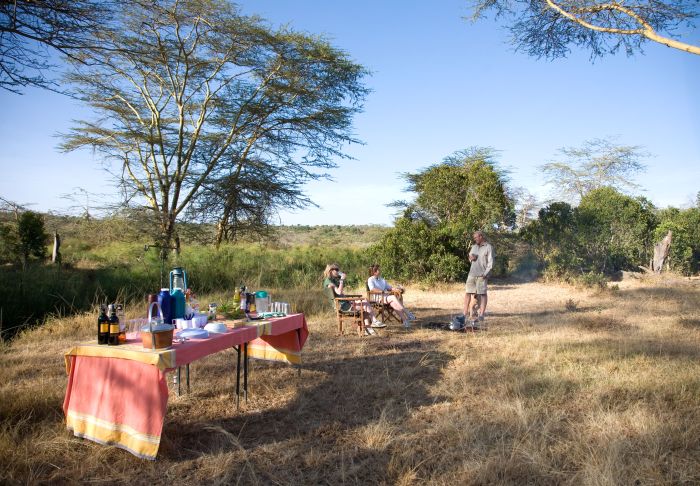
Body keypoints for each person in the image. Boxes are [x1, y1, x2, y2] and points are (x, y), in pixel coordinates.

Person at [323, 263, 385, 335]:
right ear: (331, 271)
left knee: (365, 304)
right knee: (364, 303)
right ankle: (373, 321)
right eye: (336, 270)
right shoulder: (329, 282)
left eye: (338, 269)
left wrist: (341, 280)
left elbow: (340, 292)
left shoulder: (332, 280)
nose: (338, 271)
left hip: (345, 303)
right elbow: (339, 292)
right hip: (343, 307)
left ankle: (368, 329)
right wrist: (342, 280)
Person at [367, 264, 416, 329]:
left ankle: (405, 321)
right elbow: (372, 289)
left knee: (394, 304)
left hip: (386, 298)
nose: (380, 270)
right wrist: (382, 291)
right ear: (374, 272)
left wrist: (397, 289)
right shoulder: (370, 279)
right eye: (378, 269)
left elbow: (389, 287)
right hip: (378, 298)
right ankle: (407, 312)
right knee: (393, 297)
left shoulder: (382, 279)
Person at [463, 230, 494, 328]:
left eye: (476, 237)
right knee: (468, 293)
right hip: (472, 274)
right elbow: (470, 257)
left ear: (481, 237)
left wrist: (485, 274)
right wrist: (471, 257)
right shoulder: (474, 247)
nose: (475, 239)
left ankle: (481, 314)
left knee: (483, 294)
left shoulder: (489, 247)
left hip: (482, 275)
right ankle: (465, 313)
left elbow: (491, 263)